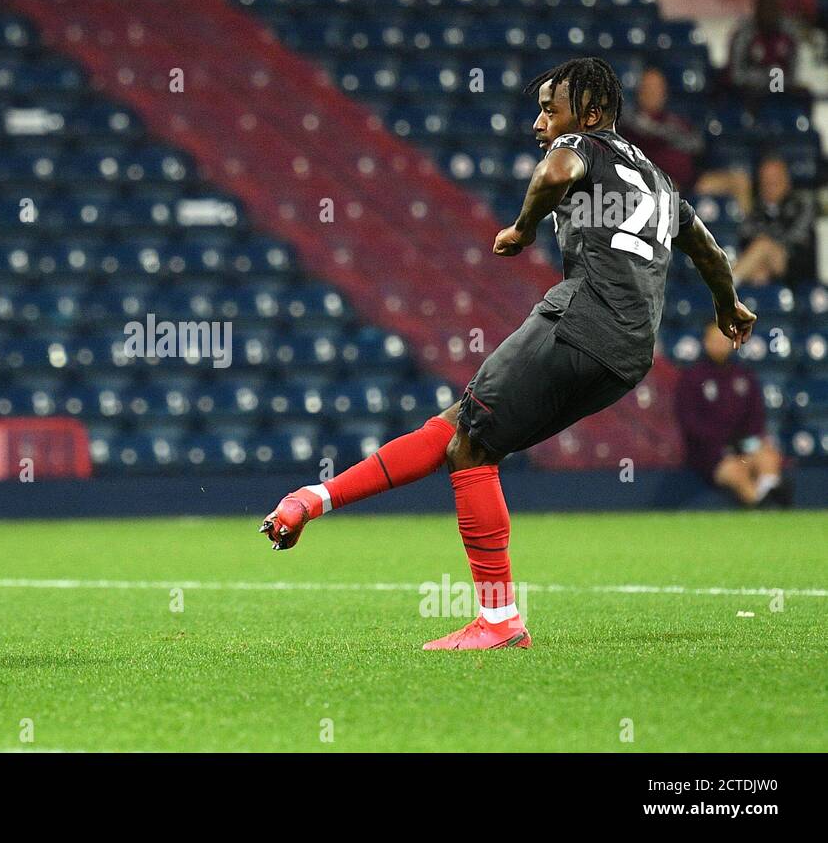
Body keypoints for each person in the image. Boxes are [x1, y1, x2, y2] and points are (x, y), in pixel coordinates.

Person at [258, 57, 757, 650]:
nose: (540, 121)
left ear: (591, 113)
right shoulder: (657, 179)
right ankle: (312, 499)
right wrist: (728, 306)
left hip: (586, 315)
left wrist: (522, 229)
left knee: (471, 444)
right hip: (628, 354)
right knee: (459, 430)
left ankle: (498, 621)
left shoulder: (585, 145)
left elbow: (553, 175)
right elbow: (709, 252)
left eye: (552, 108)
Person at [676, 322, 790, 507]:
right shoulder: (692, 378)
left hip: (743, 446)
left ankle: (770, 489)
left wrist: (745, 443)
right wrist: (723, 445)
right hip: (710, 455)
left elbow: (756, 417)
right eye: (715, 339)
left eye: (725, 339)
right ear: (706, 342)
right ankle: (761, 504)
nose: (721, 344)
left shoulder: (744, 375)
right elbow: (689, 422)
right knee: (737, 472)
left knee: (768, 456)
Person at [732, 155, 818, 285]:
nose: (770, 183)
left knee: (763, 245)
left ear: (787, 180)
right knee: (759, 274)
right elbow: (746, 235)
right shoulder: (755, 209)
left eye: (776, 178)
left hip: (794, 263)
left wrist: (769, 243)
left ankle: (723, 287)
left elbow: (796, 239)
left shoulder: (802, 205)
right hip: (762, 265)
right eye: (766, 179)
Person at [619, 67, 703, 193]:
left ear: (665, 92)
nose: (653, 93)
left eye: (657, 88)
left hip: (690, 182)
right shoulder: (629, 121)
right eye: (648, 87)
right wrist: (671, 135)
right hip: (651, 183)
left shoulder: (676, 120)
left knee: (737, 180)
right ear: (640, 91)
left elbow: (697, 144)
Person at [727, 0, 800, 101]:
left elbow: (792, 69)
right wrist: (761, 81)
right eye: (764, 10)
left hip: (779, 87)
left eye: (773, 10)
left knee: (803, 96)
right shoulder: (743, 34)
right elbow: (736, 73)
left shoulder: (788, 34)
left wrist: (782, 84)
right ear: (756, 12)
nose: (769, 14)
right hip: (748, 89)